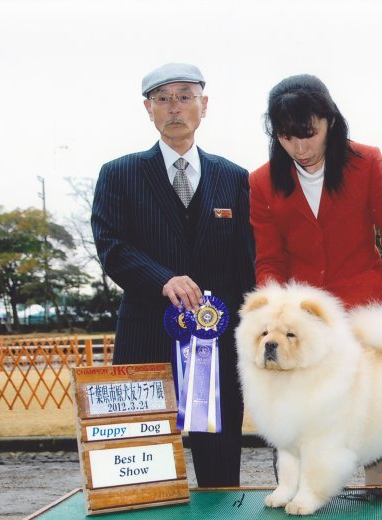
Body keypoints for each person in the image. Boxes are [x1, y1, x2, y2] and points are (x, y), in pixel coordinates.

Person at [249, 74, 382, 486]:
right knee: (297, 439)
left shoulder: (367, 162)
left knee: (374, 444)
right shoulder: (261, 181)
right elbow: (269, 260)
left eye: (309, 134)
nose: (300, 148)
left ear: (330, 121)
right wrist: (276, 313)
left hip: (364, 318)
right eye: (288, 138)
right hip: (300, 331)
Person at [91, 62, 255, 487]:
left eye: (185, 96)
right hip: (145, 336)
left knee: (220, 471)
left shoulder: (236, 178)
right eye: (162, 98)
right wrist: (163, 278)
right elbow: (112, 247)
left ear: (205, 104)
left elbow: (247, 263)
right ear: (148, 109)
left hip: (215, 344)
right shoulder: (119, 174)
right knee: (142, 472)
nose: (174, 107)